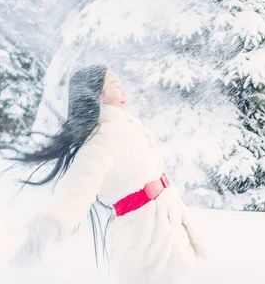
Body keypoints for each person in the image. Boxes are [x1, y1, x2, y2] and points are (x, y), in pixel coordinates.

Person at [10, 65, 205, 284]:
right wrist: (45, 229)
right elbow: (77, 187)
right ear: (99, 95)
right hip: (144, 238)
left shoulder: (125, 126)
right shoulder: (103, 137)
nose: (124, 93)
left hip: (165, 227)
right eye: (117, 86)